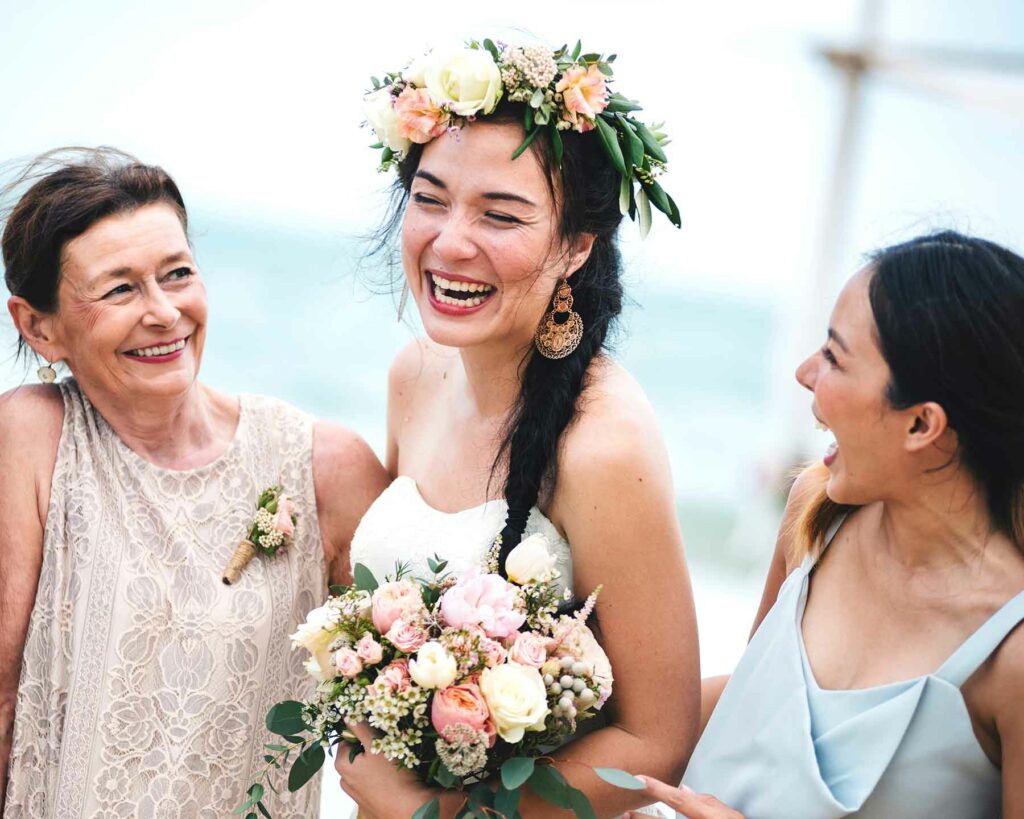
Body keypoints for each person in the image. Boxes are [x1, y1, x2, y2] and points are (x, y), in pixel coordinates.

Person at [331, 41, 700, 817]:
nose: (451, 241)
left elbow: (658, 736)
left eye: (500, 215)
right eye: (430, 199)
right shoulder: (415, 374)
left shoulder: (603, 447)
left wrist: (437, 813)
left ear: (575, 245)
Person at [0, 148, 390, 818]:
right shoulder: (33, 437)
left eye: (177, 274)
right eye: (120, 288)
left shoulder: (324, 466)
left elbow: (390, 733)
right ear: (39, 328)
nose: (163, 312)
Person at [629, 232, 1024, 818]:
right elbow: (753, 703)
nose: (804, 371)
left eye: (835, 357)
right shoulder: (815, 511)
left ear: (922, 425)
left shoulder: (1011, 654)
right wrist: (563, 720)